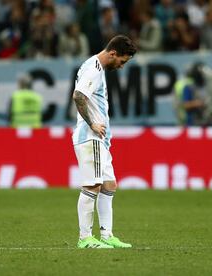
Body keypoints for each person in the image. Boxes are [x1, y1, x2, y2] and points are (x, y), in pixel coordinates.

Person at [72, 35, 137, 249]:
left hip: (100, 139)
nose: (121, 66)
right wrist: (92, 123)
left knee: (109, 184)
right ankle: (85, 239)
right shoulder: (94, 69)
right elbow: (79, 96)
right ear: (113, 53)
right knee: (93, 185)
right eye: (122, 61)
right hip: (90, 137)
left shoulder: (95, 66)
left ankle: (107, 235)